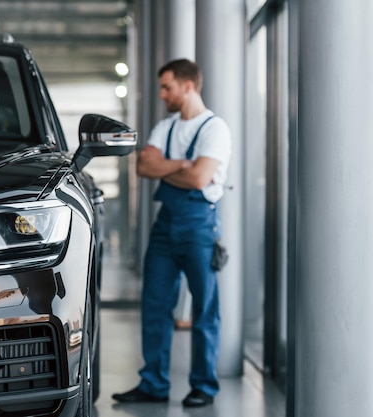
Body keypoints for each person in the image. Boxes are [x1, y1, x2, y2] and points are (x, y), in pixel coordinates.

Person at [112, 58, 232, 408]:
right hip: (165, 225)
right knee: (155, 303)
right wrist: (184, 164)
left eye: (167, 87)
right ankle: (153, 383)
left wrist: (171, 169)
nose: (162, 94)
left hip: (200, 224)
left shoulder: (214, 128)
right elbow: (143, 166)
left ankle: (203, 386)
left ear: (188, 86)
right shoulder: (165, 126)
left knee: (205, 307)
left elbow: (199, 180)